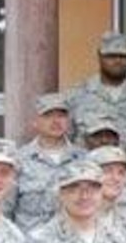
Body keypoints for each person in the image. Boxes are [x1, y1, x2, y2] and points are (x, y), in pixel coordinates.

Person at [65, 31, 126, 159]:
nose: (117, 61)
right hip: (87, 173)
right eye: (111, 56)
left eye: (123, 56)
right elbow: (65, 142)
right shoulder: (76, 96)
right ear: (99, 56)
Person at [10, 92, 81, 230]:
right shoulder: (19, 160)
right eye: (48, 115)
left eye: (61, 115)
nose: (56, 121)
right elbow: (4, 210)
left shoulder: (83, 159)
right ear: (35, 121)